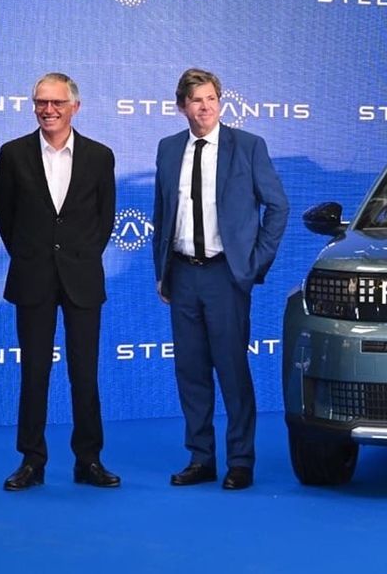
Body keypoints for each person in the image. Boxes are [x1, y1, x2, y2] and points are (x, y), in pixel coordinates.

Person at [153, 68, 289, 490]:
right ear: (182, 106)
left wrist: (253, 264)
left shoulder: (247, 146)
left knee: (232, 371)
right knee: (190, 372)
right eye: (196, 100)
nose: (205, 107)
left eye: (211, 98)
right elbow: (162, 211)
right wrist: (161, 272)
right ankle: (201, 458)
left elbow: (278, 206)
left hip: (225, 275)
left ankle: (240, 461)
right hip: (182, 274)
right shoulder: (168, 148)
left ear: (220, 102)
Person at [0, 73, 120, 491]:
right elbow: (6, 218)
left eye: (57, 103)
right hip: (33, 276)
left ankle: (89, 460)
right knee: (34, 373)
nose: (48, 110)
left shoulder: (100, 156)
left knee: (85, 373)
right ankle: (32, 460)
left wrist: (79, 256)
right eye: (41, 102)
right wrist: (32, 256)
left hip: (82, 277)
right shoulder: (13, 154)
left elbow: (104, 219)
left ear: (75, 107)